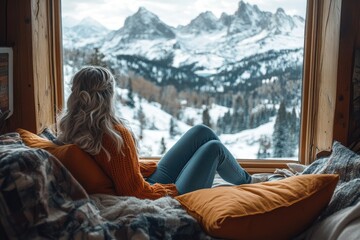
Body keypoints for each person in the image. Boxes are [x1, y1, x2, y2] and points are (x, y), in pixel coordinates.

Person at [57, 66, 251, 200]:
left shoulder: (73, 127)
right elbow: (136, 193)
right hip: (155, 195)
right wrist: (172, 189)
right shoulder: (115, 135)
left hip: (145, 182)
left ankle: (245, 179)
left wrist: (140, 167)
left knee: (201, 132)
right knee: (214, 148)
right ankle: (250, 183)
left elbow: (114, 168)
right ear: (108, 96)